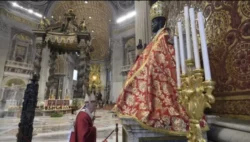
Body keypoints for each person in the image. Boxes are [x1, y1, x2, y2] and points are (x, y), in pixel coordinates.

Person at [113, 1, 207, 135]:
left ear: (160, 21)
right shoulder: (155, 41)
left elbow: (156, 60)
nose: (151, 24)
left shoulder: (163, 40)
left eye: (153, 21)